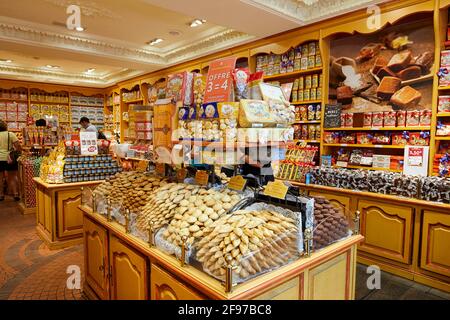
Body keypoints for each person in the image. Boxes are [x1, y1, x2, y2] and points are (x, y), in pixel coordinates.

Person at [0, 120, 22, 201]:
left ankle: (1, 195)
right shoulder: (10, 134)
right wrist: (20, 152)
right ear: (5, 126)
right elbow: (18, 145)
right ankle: (16, 194)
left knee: (0, 178)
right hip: (10, 158)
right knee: (12, 176)